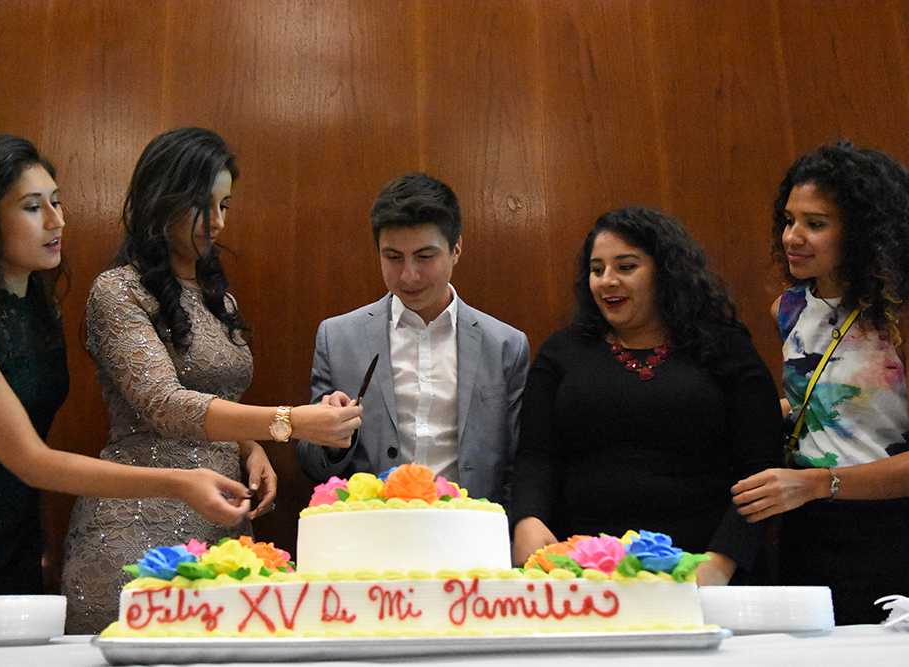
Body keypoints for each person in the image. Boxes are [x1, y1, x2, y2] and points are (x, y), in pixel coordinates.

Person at [0, 135, 256, 598]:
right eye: (33, 208)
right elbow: (32, 459)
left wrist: (245, 440)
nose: (57, 221)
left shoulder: (36, 302)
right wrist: (179, 482)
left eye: (56, 202)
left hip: (14, 530)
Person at [60, 127, 361, 633]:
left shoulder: (217, 296)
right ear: (163, 199)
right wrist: (287, 423)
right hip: (136, 525)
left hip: (221, 524)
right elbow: (164, 403)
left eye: (227, 206)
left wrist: (247, 444)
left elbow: (212, 394)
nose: (218, 223)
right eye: (206, 206)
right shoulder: (116, 291)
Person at [511, 207, 781, 583]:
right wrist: (527, 520)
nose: (607, 281)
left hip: (703, 566)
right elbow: (535, 457)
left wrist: (723, 559)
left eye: (625, 267)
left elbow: (760, 468)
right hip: (583, 571)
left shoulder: (725, 348)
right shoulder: (562, 352)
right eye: (597, 269)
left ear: (664, 271)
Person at [732, 141, 909, 624]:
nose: (793, 237)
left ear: (862, 232)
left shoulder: (898, 319)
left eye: (815, 223)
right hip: (805, 523)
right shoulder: (787, 310)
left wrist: (820, 483)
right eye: (789, 220)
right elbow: (820, 402)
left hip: (886, 527)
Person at [295, 173, 529, 507]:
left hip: (468, 531)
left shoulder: (505, 344)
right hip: (373, 530)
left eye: (424, 256)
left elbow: (516, 464)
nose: (408, 275)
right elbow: (312, 464)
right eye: (392, 257)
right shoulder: (338, 337)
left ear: (456, 249)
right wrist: (329, 437)